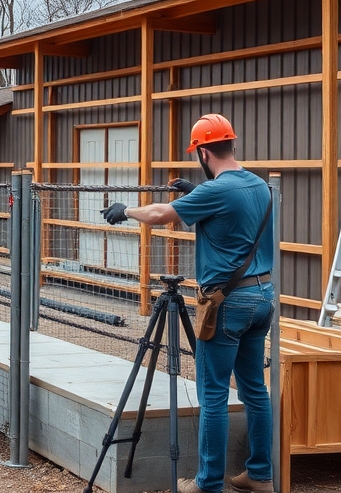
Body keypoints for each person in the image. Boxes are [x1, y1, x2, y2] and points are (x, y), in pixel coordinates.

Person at [101, 113, 275, 493]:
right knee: (254, 391)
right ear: (232, 144)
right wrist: (197, 191)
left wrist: (125, 211)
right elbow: (234, 214)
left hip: (228, 303)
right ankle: (260, 475)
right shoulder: (259, 186)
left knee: (213, 394)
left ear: (203, 153)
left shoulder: (215, 191)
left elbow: (160, 214)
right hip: (262, 297)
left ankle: (208, 484)